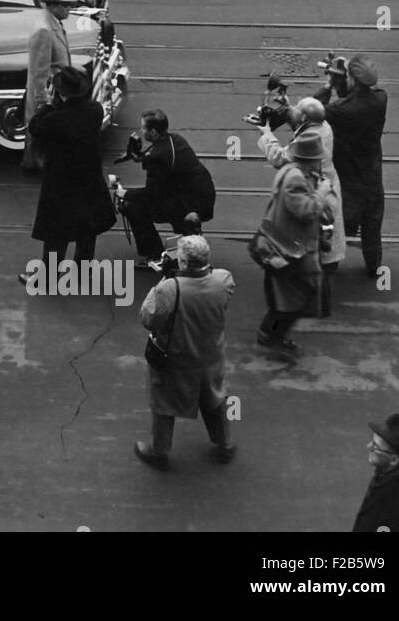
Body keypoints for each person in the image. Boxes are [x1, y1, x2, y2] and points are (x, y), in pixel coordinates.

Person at [133, 236, 236, 471]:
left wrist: (165, 279)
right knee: (215, 399)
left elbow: (148, 319)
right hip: (211, 355)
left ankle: (159, 452)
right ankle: (225, 444)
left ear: (182, 261)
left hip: (176, 359)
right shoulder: (223, 280)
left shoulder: (169, 289)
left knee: (163, 404)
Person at [258, 97, 346, 315]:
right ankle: (318, 303)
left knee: (319, 258)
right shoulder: (323, 126)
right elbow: (302, 126)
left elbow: (280, 157)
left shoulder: (297, 168)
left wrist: (267, 134)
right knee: (325, 256)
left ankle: (314, 306)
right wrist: (288, 107)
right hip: (328, 191)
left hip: (319, 197)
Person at [26, 66, 116, 268]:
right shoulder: (95, 110)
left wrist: (49, 104)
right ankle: (83, 269)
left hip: (61, 182)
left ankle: (48, 276)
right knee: (87, 228)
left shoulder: (54, 119)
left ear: (60, 93)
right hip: (89, 178)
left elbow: (35, 126)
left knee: (56, 233)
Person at [254, 129, 331, 357]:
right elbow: (306, 210)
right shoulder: (295, 177)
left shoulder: (296, 172)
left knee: (290, 296)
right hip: (287, 248)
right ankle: (272, 335)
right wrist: (322, 193)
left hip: (286, 245)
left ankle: (271, 333)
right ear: (311, 159)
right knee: (293, 297)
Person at [315, 54, 387, 277]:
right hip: (372, 175)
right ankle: (374, 265)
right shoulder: (381, 99)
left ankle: (328, 267)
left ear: (353, 80)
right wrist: (345, 83)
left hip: (348, 177)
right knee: (372, 225)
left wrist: (329, 84)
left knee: (338, 225)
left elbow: (314, 110)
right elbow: (356, 97)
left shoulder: (341, 110)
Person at [120, 110, 217, 270]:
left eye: (143, 128)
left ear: (153, 131)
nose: (141, 131)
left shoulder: (157, 156)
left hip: (187, 203)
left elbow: (150, 194)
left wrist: (125, 193)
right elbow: (164, 159)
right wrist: (143, 158)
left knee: (131, 205)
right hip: (201, 197)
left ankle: (154, 254)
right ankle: (189, 233)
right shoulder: (175, 139)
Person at [21, 0, 75, 174]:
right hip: (49, 91)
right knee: (40, 129)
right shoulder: (44, 30)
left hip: (58, 87)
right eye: (66, 6)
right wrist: (42, 102)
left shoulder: (53, 22)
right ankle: (35, 164)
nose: (69, 9)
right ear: (54, 6)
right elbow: (39, 72)